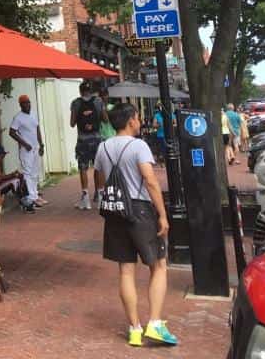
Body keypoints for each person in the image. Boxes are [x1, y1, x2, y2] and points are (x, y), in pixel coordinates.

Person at [94, 102, 178, 348]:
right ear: (131, 120)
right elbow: (150, 181)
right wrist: (162, 214)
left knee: (126, 270)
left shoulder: (103, 147)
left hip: (115, 211)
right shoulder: (138, 146)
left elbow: (99, 180)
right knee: (159, 265)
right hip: (140, 210)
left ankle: (134, 328)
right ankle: (155, 324)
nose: (140, 122)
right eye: (138, 118)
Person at [70, 81, 103, 209]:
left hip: (83, 140)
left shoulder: (76, 103)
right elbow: (105, 119)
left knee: (83, 168)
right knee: (98, 167)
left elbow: (72, 123)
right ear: (91, 91)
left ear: (80, 91)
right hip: (97, 139)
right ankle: (100, 196)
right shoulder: (98, 101)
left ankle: (86, 200)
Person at [9, 94, 45, 210]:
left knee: (35, 173)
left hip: (35, 148)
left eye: (28, 102)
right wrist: (25, 144)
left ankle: (35, 196)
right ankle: (31, 198)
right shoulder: (18, 118)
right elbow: (11, 132)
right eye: (24, 103)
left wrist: (41, 144)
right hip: (26, 150)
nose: (27, 104)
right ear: (20, 105)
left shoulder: (33, 114)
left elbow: (37, 129)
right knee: (27, 173)